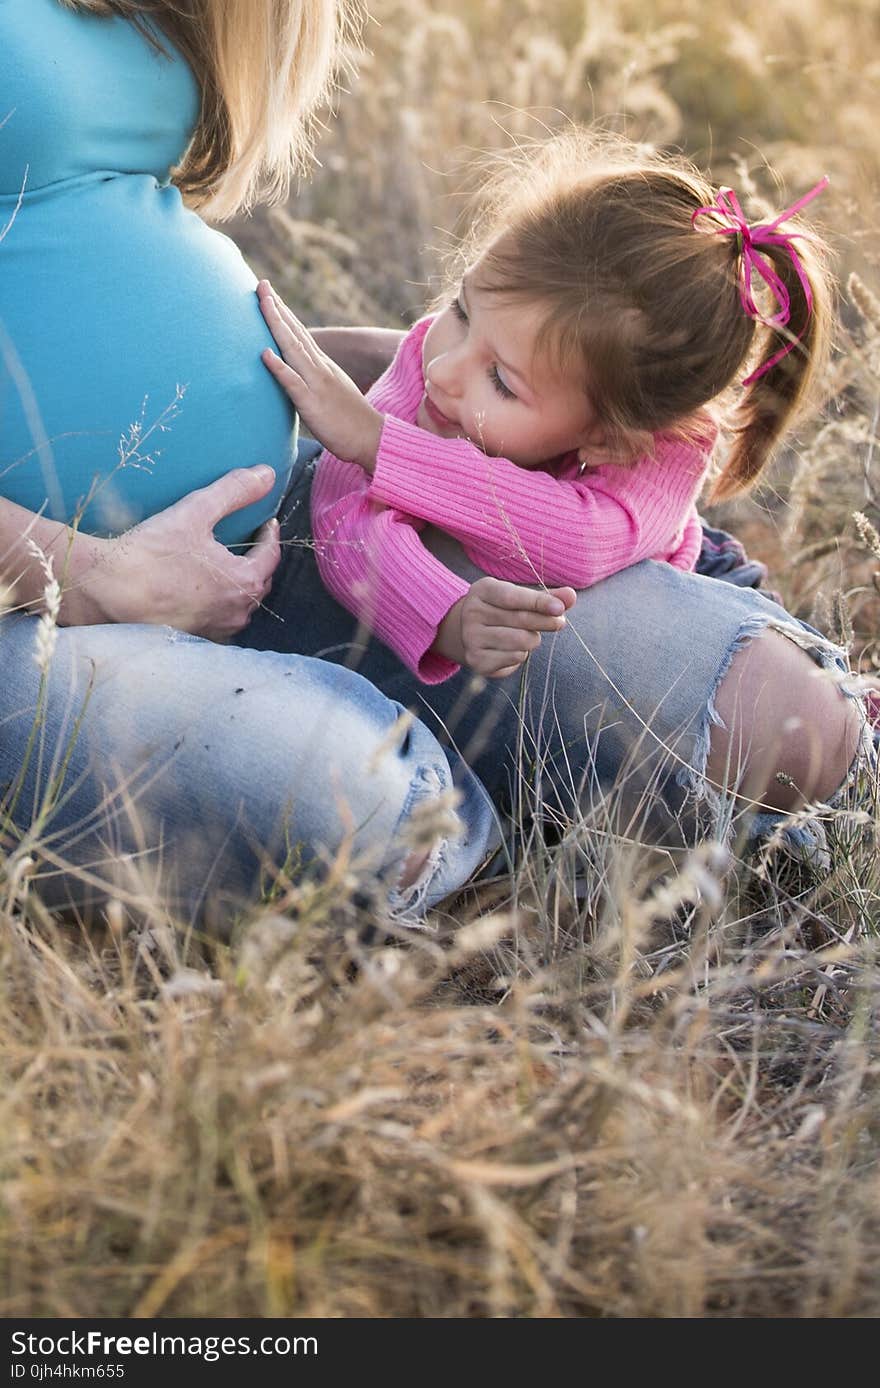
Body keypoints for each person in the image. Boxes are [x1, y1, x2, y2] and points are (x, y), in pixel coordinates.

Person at [0, 3, 868, 927]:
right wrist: (84, 573)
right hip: (35, 600)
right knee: (375, 816)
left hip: (278, 516)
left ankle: (513, 772)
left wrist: (335, 393)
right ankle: (489, 827)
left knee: (786, 724)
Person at [255, 133, 831, 692]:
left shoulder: (663, 449)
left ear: (612, 440)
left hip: (694, 579)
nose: (444, 370)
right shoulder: (435, 366)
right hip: (549, 623)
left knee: (809, 708)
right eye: (461, 311)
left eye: (501, 381)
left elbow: (578, 542)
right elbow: (341, 514)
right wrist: (442, 611)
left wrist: (381, 446)